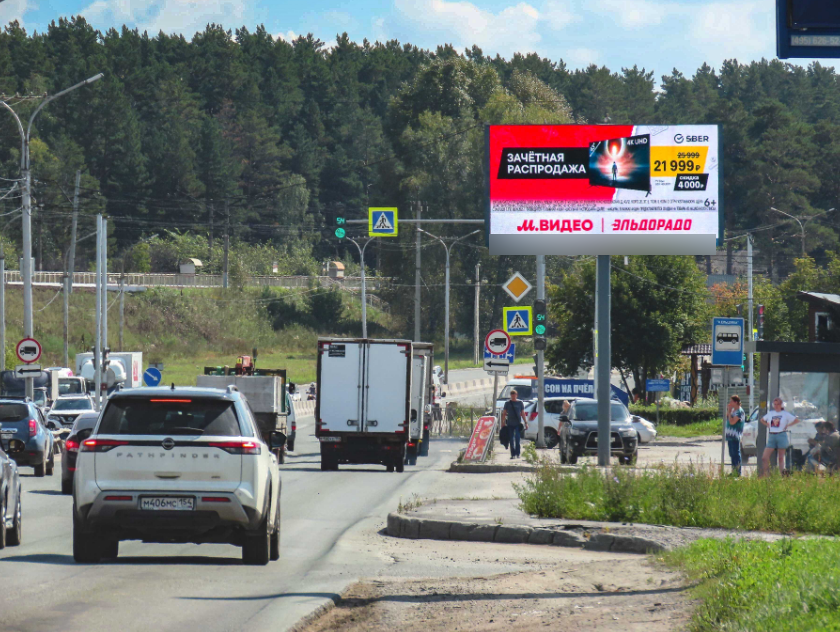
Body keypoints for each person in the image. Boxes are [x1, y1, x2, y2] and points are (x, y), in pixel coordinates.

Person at [760, 397, 801, 476]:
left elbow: (796, 420)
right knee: (764, 457)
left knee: (781, 457)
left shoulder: (785, 414)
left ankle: (782, 474)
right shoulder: (771, 413)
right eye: (775, 404)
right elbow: (762, 420)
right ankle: (766, 474)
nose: (776, 406)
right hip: (772, 435)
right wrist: (767, 425)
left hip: (781, 435)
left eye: (778, 404)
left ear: (781, 405)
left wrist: (788, 425)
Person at [501, 389, 528, 459]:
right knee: (511, 439)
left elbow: (523, 413)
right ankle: (512, 454)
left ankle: (518, 453)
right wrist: (503, 422)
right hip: (510, 424)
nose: (513, 397)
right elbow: (504, 413)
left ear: (516, 395)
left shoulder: (520, 403)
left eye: (514, 395)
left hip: (517, 424)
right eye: (512, 395)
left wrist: (526, 422)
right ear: (510, 396)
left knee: (517, 439)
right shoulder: (507, 403)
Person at [725, 394, 745, 476]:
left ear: (736, 402)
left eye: (731, 401)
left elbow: (732, 422)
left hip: (735, 436)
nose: (730, 403)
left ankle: (737, 472)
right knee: (732, 454)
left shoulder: (740, 411)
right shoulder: (734, 411)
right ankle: (734, 471)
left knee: (736, 454)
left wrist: (729, 412)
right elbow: (728, 418)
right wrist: (729, 411)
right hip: (730, 436)